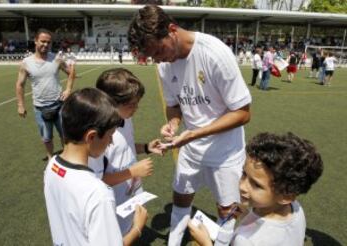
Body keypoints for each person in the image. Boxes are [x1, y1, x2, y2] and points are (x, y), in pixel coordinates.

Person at [128, 5, 252, 246]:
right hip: (190, 147)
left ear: (172, 30)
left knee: (227, 210)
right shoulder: (165, 64)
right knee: (181, 198)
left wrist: (196, 133)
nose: (158, 59)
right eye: (152, 56)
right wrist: (173, 123)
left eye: (158, 51)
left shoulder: (214, 53)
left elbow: (243, 113)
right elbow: (174, 105)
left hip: (225, 152)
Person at [44, 88, 148, 246]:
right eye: (110, 135)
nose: (111, 142)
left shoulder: (52, 166)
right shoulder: (98, 194)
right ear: (91, 136)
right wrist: (137, 228)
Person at [188, 132, 323, 246]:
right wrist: (246, 213)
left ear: (286, 196)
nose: (241, 186)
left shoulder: (247, 241)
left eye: (256, 185)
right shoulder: (295, 209)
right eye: (244, 174)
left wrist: (206, 243)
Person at [89, 68, 163, 236]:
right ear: (110, 104)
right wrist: (132, 172)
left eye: (137, 103)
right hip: (114, 202)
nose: (136, 108)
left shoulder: (125, 119)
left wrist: (145, 148)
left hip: (130, 191)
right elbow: (97, 180)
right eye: (131, 105)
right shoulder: (100, 137)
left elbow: (125, 146)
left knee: (131, 225)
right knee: (119, 235)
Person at [15, 28, 75, 160]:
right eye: (42, 41)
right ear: (36, 41)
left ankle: (66, 157)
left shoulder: (57, 59)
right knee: (47, 138)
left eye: (49, 42)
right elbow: (20, 84)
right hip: (40, 108)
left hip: (59, 104)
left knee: (64, 135)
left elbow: (71, 72)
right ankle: (50, 158)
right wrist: (20, 105)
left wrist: (68, 90)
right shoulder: (26, 63)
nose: (46, 45)